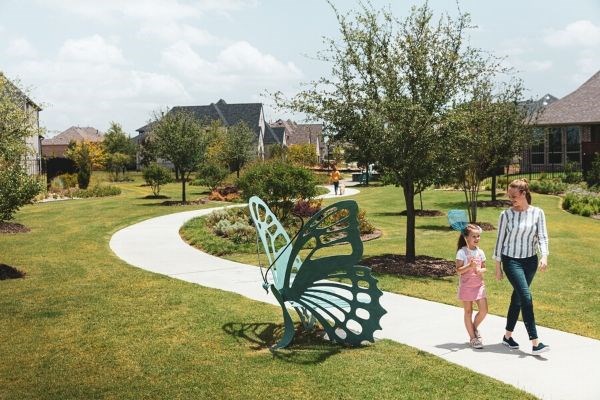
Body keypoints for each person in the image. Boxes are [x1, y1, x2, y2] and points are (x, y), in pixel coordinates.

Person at [494, 178, 550, 355]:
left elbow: (542, 236)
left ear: (524, 194)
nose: (511, 200)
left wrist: (544, 256)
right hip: (511, 261)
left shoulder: (538, 213)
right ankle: (535, 343)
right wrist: (498, 266)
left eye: (514, 196)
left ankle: (507, 337)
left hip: (530, 261)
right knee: (526, 297)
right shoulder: (506, 215)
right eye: (510, 196)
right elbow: (499, 241)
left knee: (517, 298)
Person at [455, 224, 488, 349]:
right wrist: (469, 266)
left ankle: (473, 328)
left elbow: (484, 267)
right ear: (466, 238)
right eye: (474, 236)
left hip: (479, 285)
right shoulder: (461, 252)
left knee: (484, 311)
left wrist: (480, 270)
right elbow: (458, 270)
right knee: (468, 311)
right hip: (467, 286)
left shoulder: (480, 252)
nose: (477, 238)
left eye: (478, 236)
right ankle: (473, 338)